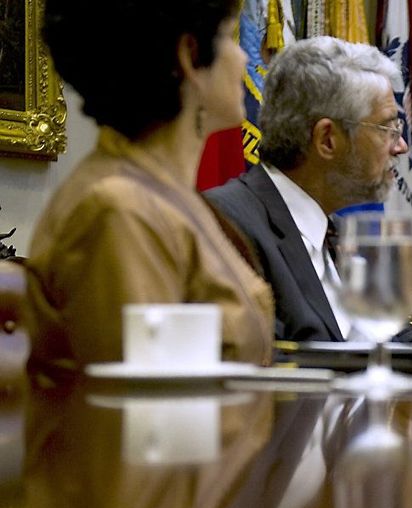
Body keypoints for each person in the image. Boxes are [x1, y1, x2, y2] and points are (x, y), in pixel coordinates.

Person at [26, 0, 274, 377]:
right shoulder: (119, 211)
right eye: (228, 36)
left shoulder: (165, 194)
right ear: (190, 56)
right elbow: (144, 411)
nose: (244, 59)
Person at [204, 37, 412, 344]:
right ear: (327, 140)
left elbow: (398, 342)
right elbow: (264, 367)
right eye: (388, 129)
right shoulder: (227, 225)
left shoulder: (334, 233)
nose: (401, 146)